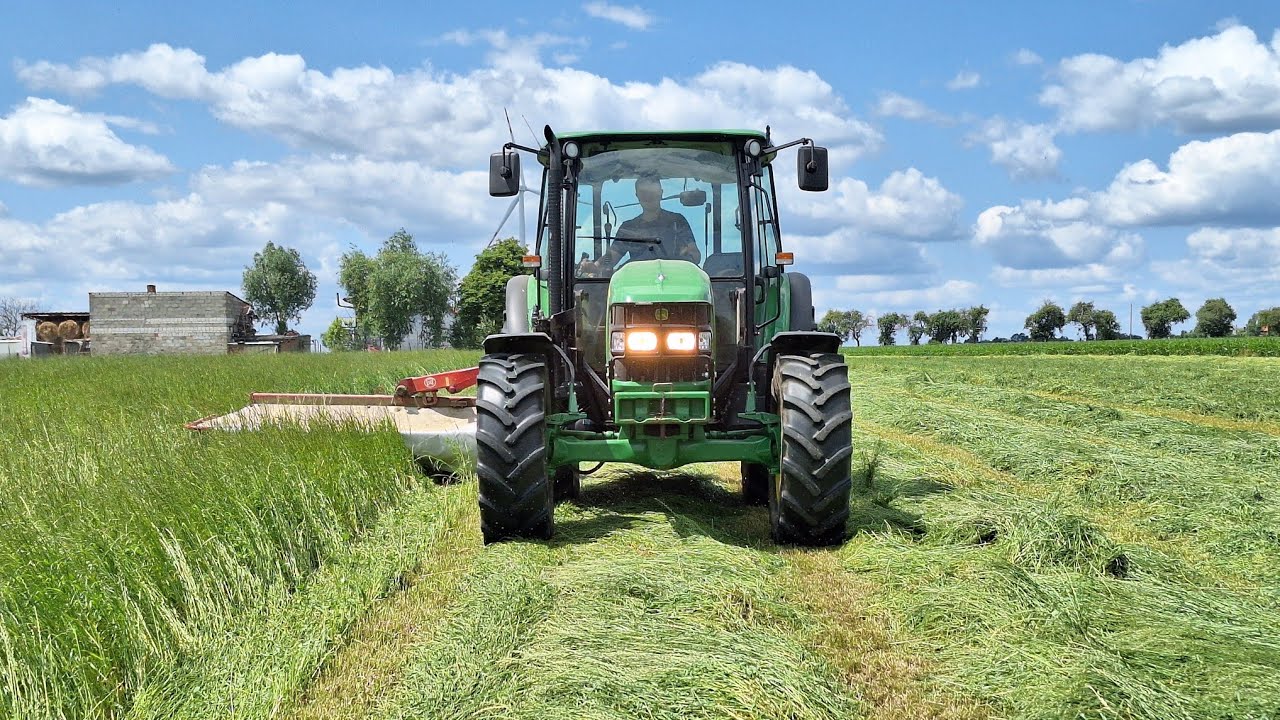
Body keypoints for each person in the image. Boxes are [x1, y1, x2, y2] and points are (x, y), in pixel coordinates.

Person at [584, 175, 701, 274]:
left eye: (652, 193)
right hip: (635, 282)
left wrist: (687, 257)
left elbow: (695, 254)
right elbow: (612, 257)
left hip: (675, 278)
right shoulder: (628, 228)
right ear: (637, 196)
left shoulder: (677, 221)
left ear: (661, 193)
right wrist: (595, 266)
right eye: (644, 193)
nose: (648, 197)